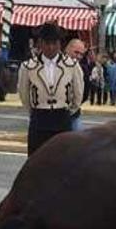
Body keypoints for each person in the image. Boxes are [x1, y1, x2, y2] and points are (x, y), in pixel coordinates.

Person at [18, 22, 84, 155]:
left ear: (60, 44)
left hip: (62, 118)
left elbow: (78, 93)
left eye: (54, 43)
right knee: (37, 160)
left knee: (63, 162)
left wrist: (68, 111)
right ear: (40, 43)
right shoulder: (28, 67)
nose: (51, 47)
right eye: (47, 43)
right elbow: (24, 94)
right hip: (39, 118)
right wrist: (35, 110)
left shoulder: (71, 66)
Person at [65, 39, 87, 130]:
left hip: (74, 113)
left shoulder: (82, 67)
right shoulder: (59, 65)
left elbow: (83, 91)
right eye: (76, 52)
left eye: (81, 54)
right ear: (67, 49)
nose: (78, 56)